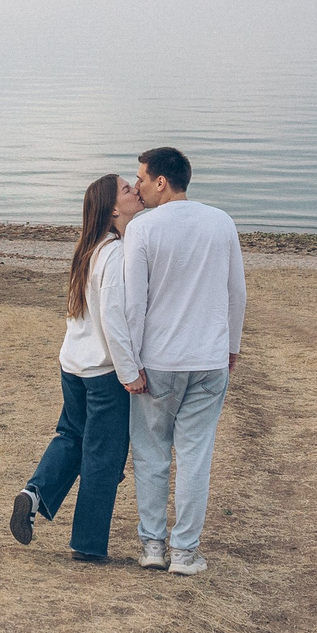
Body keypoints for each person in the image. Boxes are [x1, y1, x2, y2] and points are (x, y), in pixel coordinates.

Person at [105, 145, 245, 577]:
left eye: (142, 178)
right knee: (195, 455)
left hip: (159, 362)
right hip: (208, 360)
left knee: (151, 455)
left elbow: (134, 305)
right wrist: (232, 347)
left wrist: (128, 366)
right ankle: (185, 551)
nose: (139, 185)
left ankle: (152, 545)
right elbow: (235, 293)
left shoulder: (143, 230)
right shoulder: (221, 221)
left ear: (161, 181)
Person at [8, 173, 142, 562]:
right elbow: (114, 319)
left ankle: (33, 494)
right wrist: (128, 371)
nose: (134, 189)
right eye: (125, 188)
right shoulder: (114, 252)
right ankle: (87, 544)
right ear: (113, 208)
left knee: (71, 435)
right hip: (103, 370)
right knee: (103, 454)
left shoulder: (88, 248)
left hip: (73, 364)